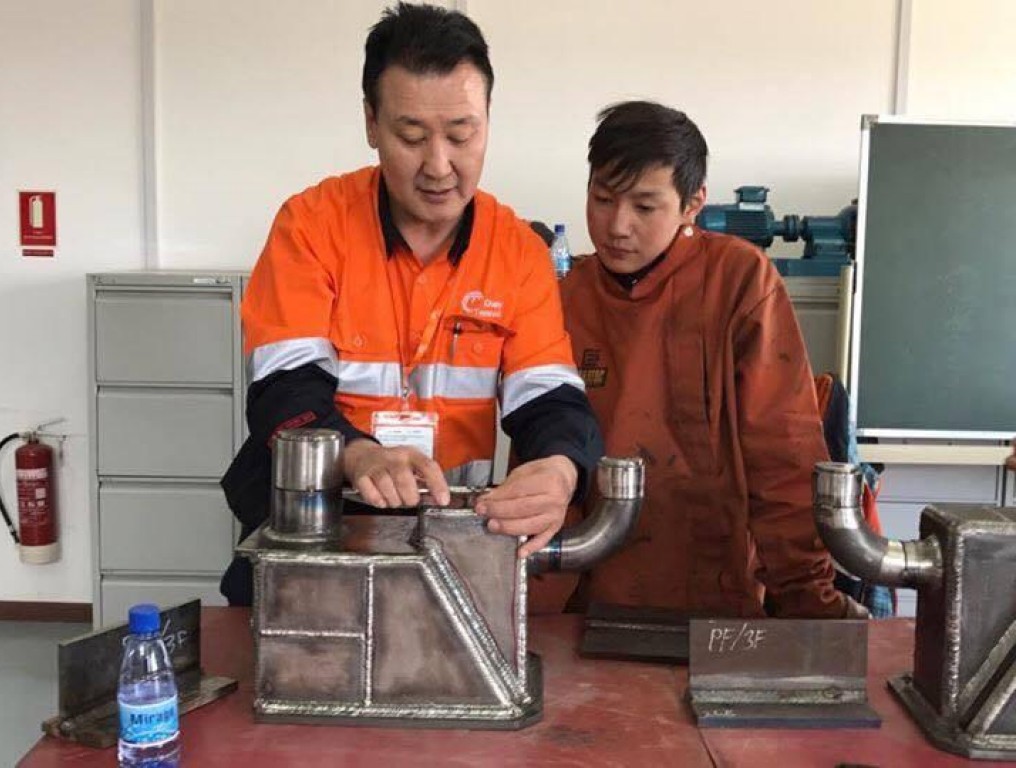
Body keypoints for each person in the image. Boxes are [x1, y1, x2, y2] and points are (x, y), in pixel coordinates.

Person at [220, 2, 602, 605]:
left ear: (488, 121)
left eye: (461, 134)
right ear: (371, 124)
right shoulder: (311, 227)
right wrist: (357, 454)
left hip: (450, 540)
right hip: (317, 533)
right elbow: (284, 390)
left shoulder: (518, 253)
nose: (439, 166)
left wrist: (559, 467)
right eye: (412, 137)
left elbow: (549, 396)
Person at [532, 101, 861, 618]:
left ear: (693, 203)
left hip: (711, 594)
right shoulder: (566, 296)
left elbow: (782, 452)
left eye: (645, 207)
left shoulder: (739, 281)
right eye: (602, 199)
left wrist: (807, 596)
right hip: (583, 598)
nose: (617, 226)